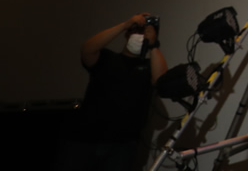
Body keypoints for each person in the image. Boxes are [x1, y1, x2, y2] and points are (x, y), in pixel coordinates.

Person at [56, 13, 167, 171]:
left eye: (144, 33)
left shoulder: (148, 67)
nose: (140, 36)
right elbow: (87, 49)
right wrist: (124, 25)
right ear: (127, 35)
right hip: (84, 139)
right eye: (137, 31)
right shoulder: (106, 58)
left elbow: (162, 81)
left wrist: (153, 44)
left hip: (123, 146)